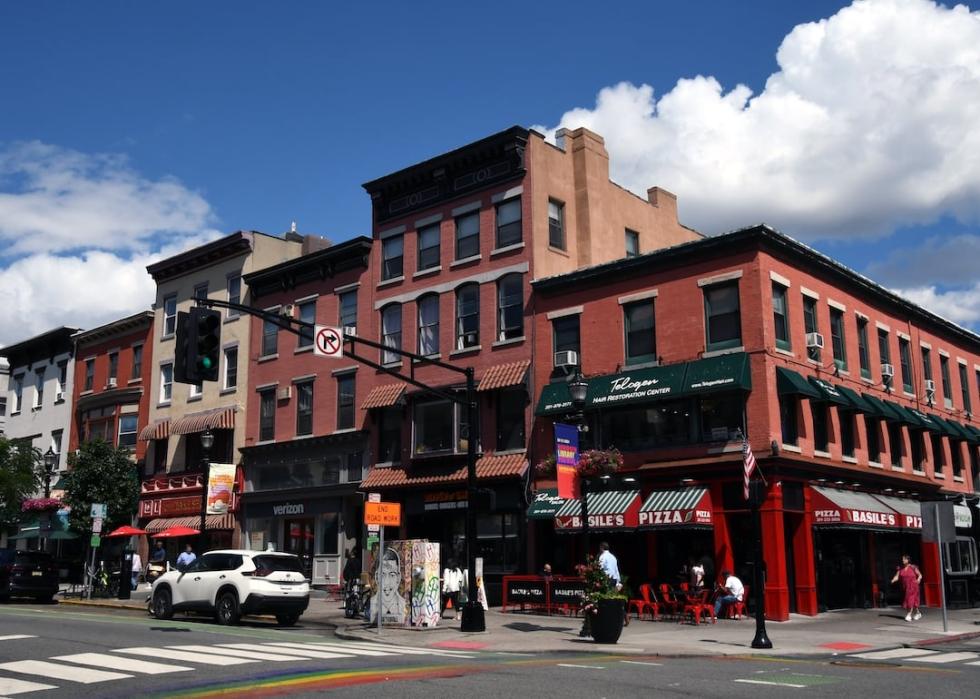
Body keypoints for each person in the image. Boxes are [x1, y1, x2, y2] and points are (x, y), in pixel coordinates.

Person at [891, 553, 923, 622]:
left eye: (904, 559)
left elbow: (920, 575)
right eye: (902, 559)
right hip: (906, 587)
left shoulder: (913, 567)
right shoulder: (900, 569)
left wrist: (918, 579)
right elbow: (897, 576)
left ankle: (909, 614)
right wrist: (893, 580)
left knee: (910, 600)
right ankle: (918, 613)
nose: (902, 560)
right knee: (912, 601)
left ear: (907, 560)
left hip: (913, 586)